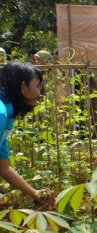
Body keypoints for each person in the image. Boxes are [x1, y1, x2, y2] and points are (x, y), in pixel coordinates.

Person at [0, 61, 44, 201]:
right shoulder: (1, 114)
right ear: (23, 86)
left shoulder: (6, 114)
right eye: (36, 87)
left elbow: (4, 168)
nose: (39, 92)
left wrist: (34, 193)